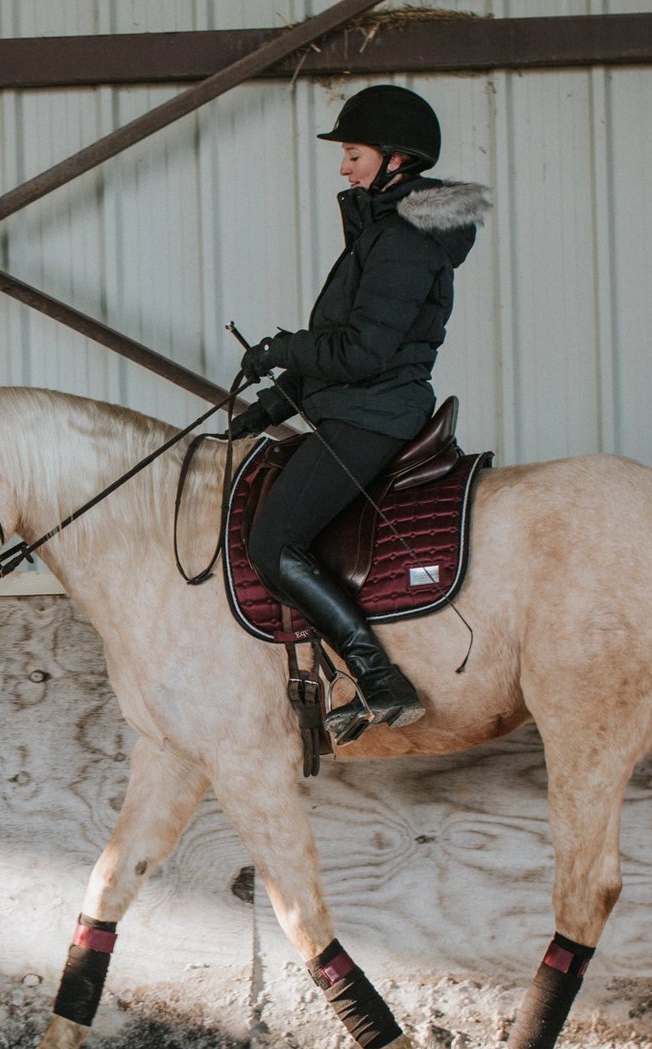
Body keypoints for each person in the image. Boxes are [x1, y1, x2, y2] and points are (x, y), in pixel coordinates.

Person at [230, 84, 490, 744]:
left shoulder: (402, 240)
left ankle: (379, 677)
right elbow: (349, 353)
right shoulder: (384, 232)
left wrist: (280, 348)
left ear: (395, 159)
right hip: (361, 405)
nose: (344, 167)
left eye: (353, 153)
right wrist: (273, 403)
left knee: (272, 543)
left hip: (376, 415)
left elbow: (364, 352)